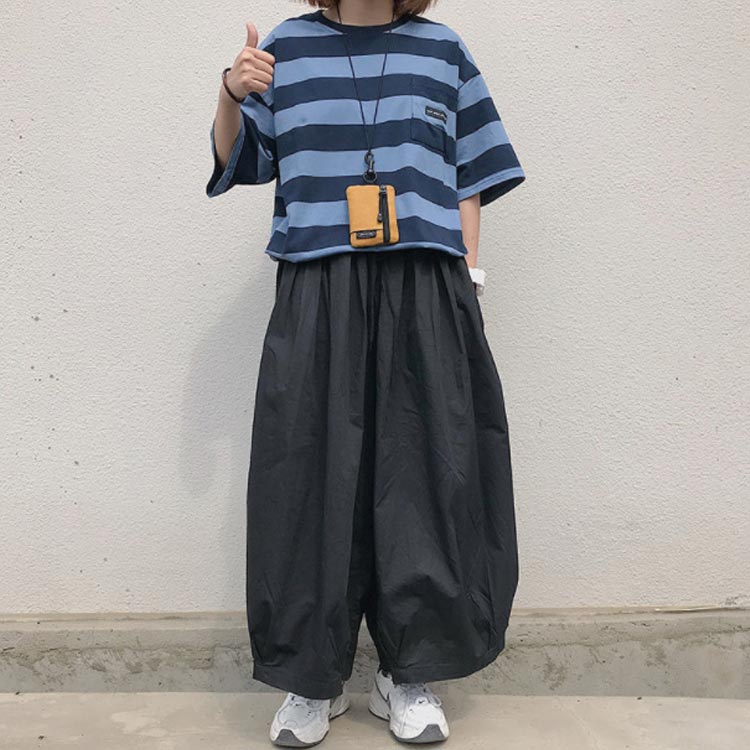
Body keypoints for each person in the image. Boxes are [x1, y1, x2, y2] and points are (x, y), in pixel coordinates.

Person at [206, 0, 524, 745]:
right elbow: (238, 160)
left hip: (425, 280)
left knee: (424, 475)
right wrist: (229, 90)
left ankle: (408, 673)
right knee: (308, 473)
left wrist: (469, 280)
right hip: (318, 282)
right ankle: (310, 678)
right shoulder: (287, 47)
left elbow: (468, 176)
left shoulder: (443, 51)